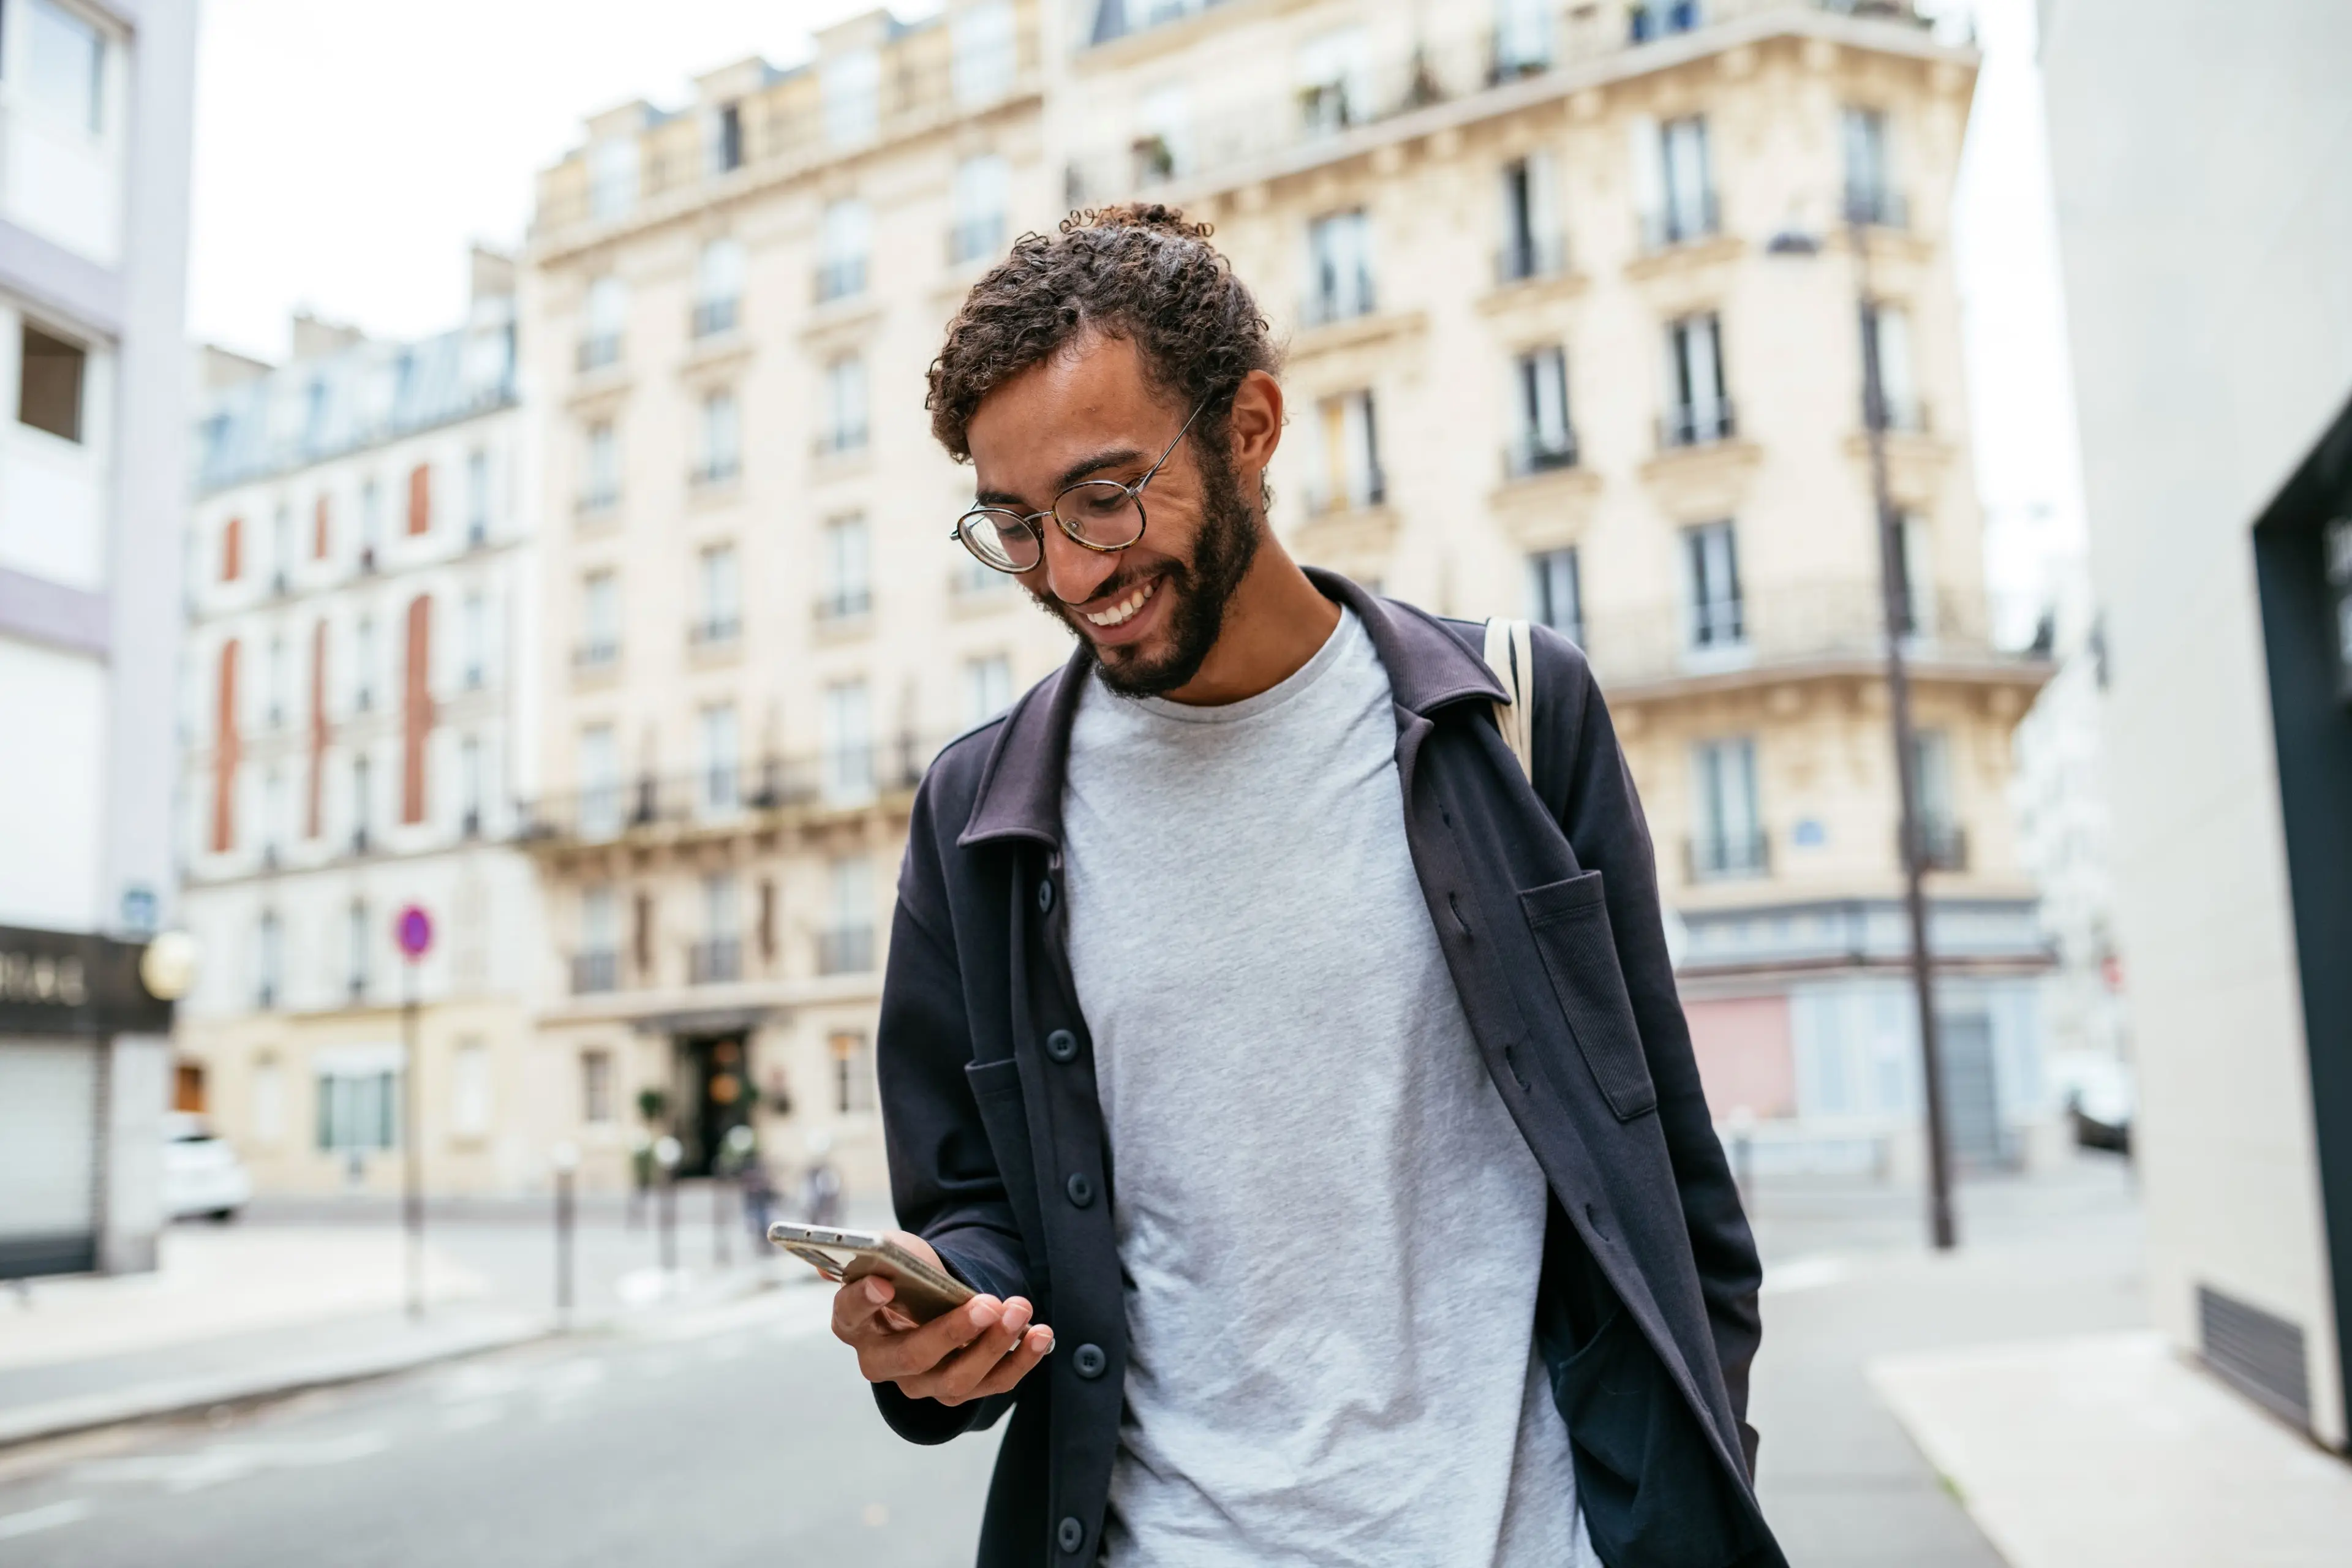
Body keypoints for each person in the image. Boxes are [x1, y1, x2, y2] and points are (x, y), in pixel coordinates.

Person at [827, 205, 1785, 1568]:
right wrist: (935, 1324)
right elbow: (973, 1210)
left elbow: (1673, 1194)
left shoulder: (1515, 714)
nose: (1073, 571)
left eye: (1106, 495)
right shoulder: (979, 815)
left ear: (1251, 429)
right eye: (1016, 526)